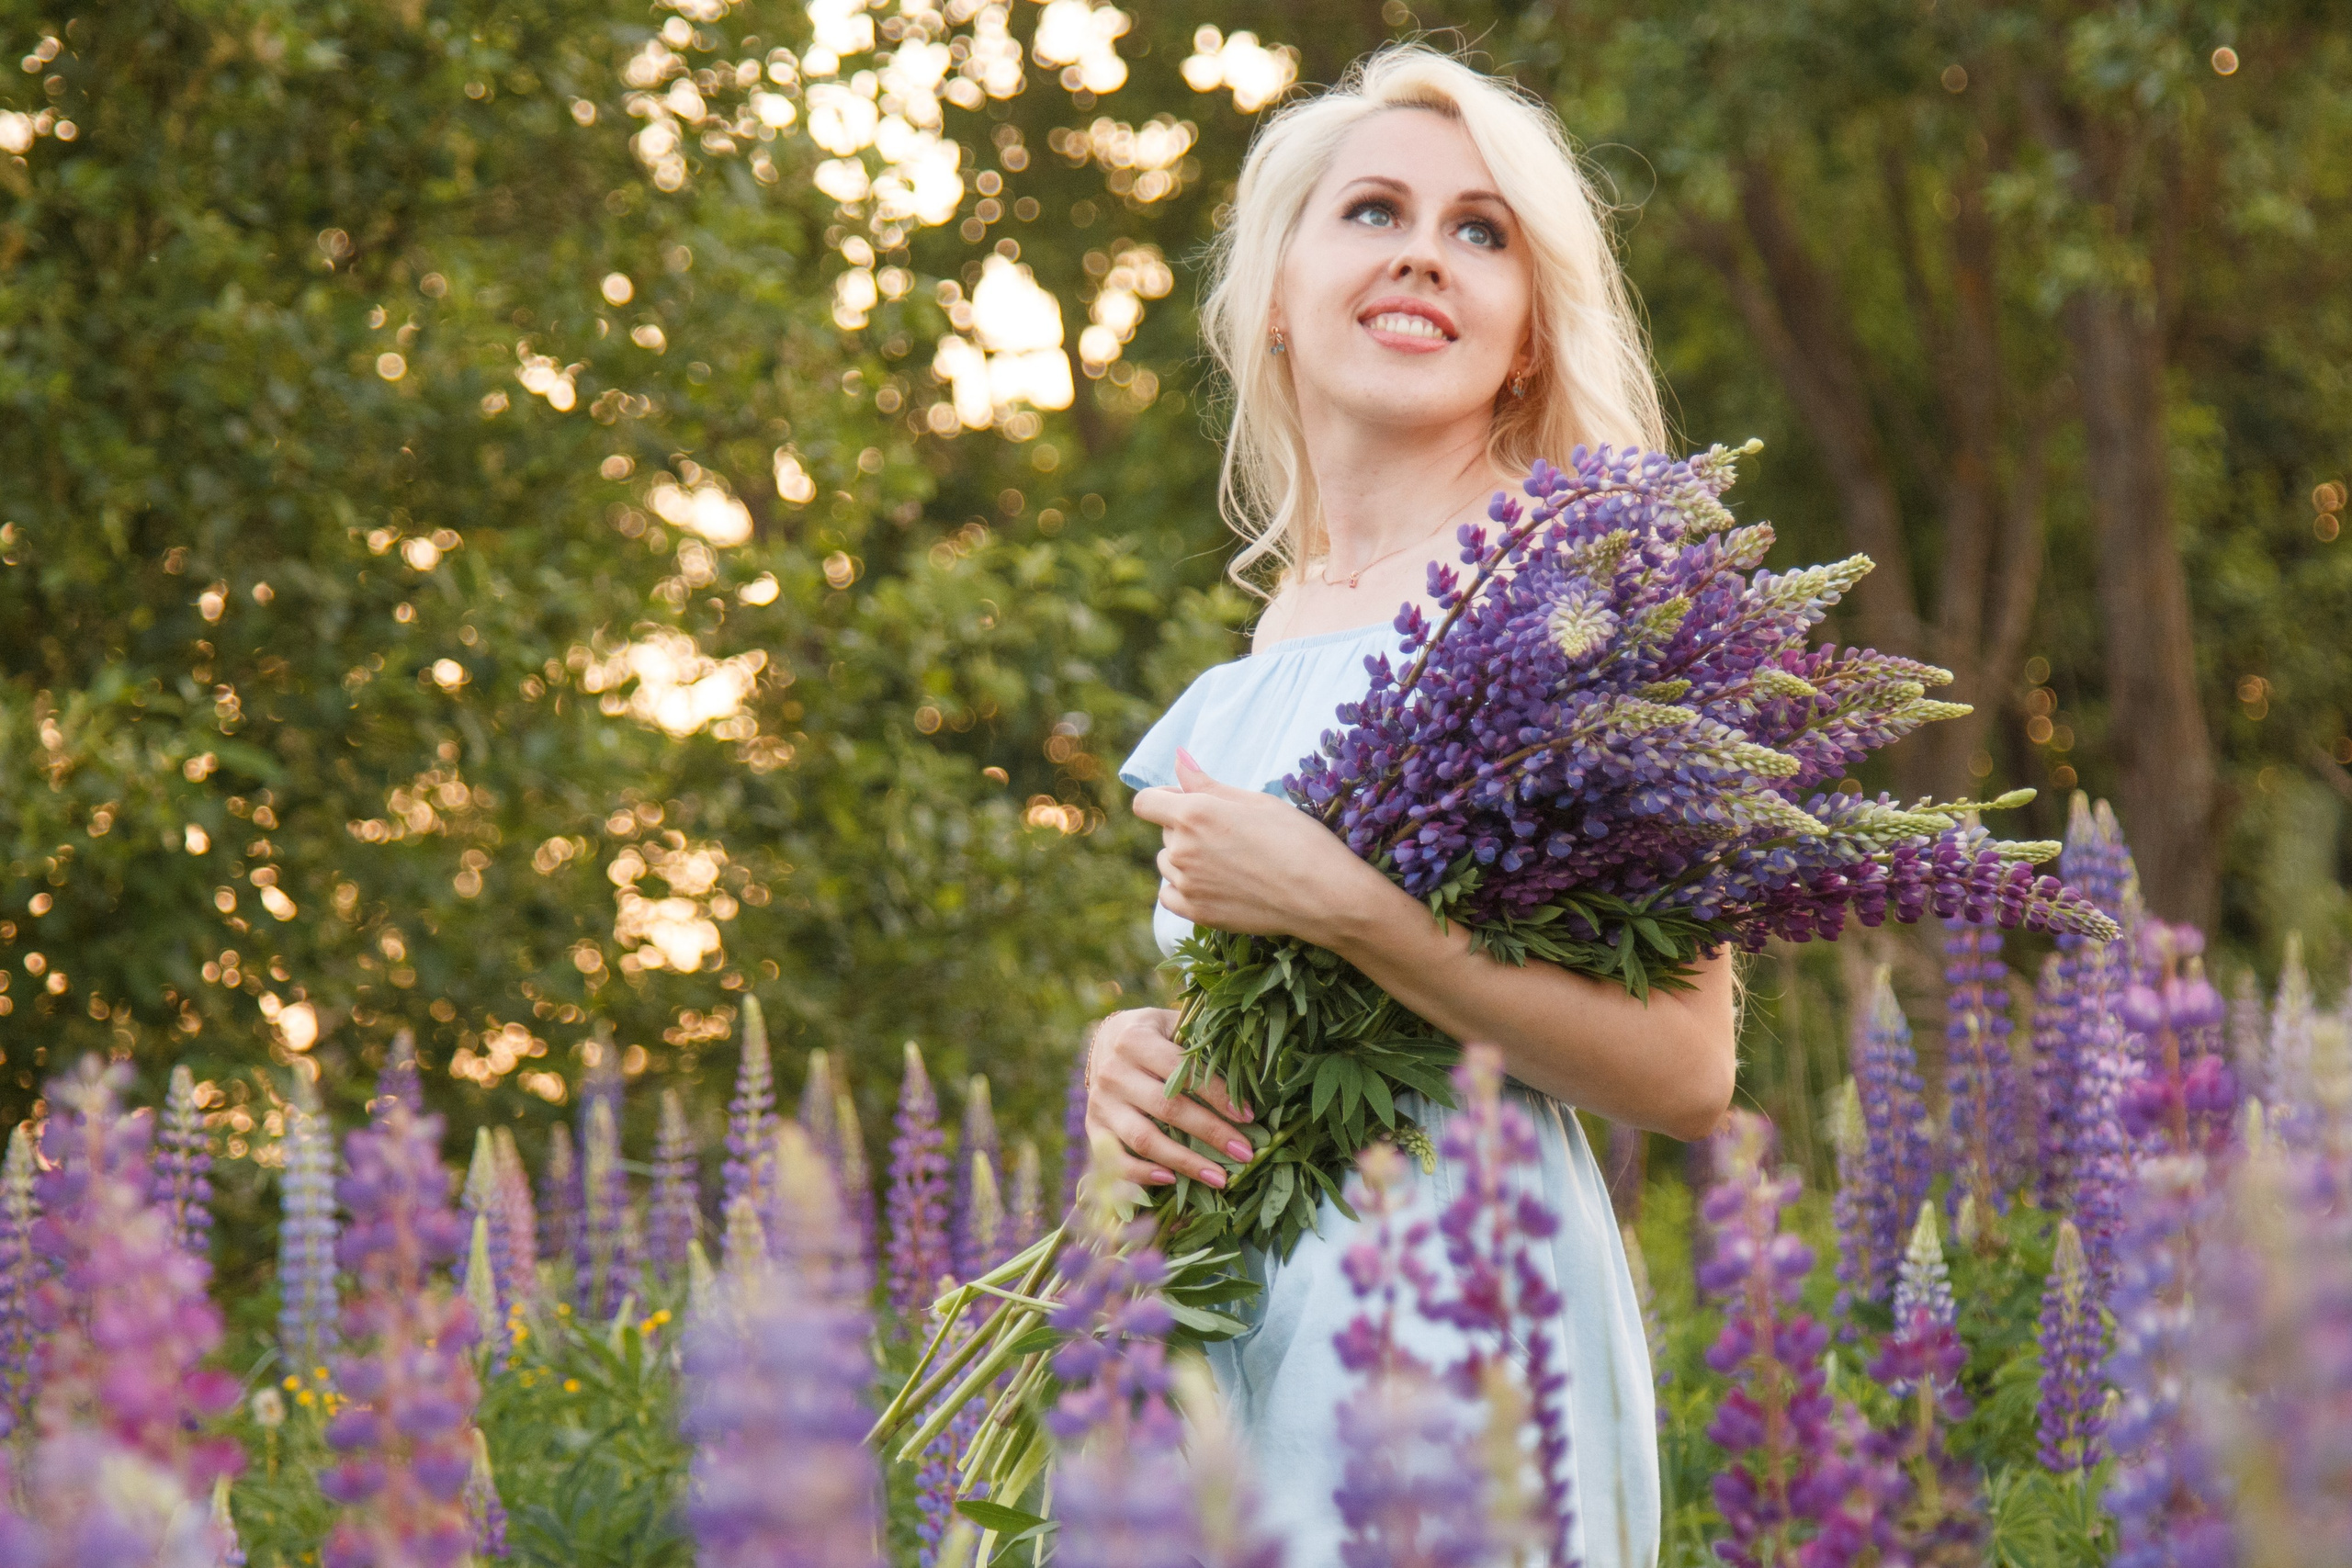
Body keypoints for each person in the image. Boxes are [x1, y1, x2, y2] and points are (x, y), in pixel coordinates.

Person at [1087, 45, 1739, 1568]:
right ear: (1275, 295)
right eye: (1373, 209)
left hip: (1462, 1332)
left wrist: (1349, 906)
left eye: (1480, 230)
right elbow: (1256, 1011)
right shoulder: (1275, 634)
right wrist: (1130, 1060)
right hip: (1222, 1322)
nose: (1422, 256)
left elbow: (1688, 1070)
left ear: (1523, 335)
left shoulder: (1575, 611)